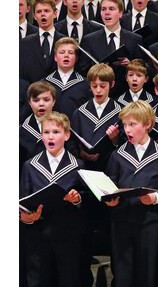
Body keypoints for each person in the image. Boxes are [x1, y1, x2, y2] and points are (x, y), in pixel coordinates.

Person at [105, 101, 158, 287]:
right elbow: (109, 184)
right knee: (122, 274)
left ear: (147, 125)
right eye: (125, 125)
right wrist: (109, 199)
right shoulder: (117, 155)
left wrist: (155, 198)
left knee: (148, 274)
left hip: (150, 224)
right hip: (121, 222)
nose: (127, 129)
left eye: (132, 124)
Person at [19, 112, 85, 287]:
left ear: (67, 135)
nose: (50, 136)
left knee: (68, 279)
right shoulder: (30, 166)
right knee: (38, 280)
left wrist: (77, 198)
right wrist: (26, 217)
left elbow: (87, 199)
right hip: (37, 235)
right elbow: (22, 199)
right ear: (41, 135)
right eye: (46, 132)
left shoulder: (78, 166)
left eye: (56, 132)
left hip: (67, 235)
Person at [79, 0, 143, 96]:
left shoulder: (134, 39)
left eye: (111, 9)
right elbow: (82, 70)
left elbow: (142, 68)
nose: (107, 12)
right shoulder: (89, 40)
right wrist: (96, 68)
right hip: (98, 94)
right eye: (103, 9)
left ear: (120, 13)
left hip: (125, 94)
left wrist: (130, 65)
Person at [70, 63, 123, 171]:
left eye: (103, 86)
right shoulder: (79, 113)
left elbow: (127, 144)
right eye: (94, 86)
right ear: (90, 85)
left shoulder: (121, 113)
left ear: (112, 84)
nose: (98, 90)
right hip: (85, 169)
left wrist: (116, 141)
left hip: (110, 168)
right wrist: (81, 154)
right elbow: (71, 144)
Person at [19, 0, 65, 84]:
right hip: (32, 90)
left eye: (46, 11)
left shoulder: (64, 42)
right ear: (34, 16)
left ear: (55, 13)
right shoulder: (24, 43)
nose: (43, 14)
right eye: (39, 12)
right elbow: (21, 73)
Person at [44, 37, 92, 119]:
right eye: (62, 52)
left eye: (70, 53)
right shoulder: (44, 84)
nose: (66, 55)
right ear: (55, 57)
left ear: (76, 58)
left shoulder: (86, 85)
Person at [19, 81, 57, 172]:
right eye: (36, 100)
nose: (41, 104)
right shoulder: (21, 132)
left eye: (46, 100)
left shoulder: (64, 127)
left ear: (53, 101)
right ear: (29, 102)